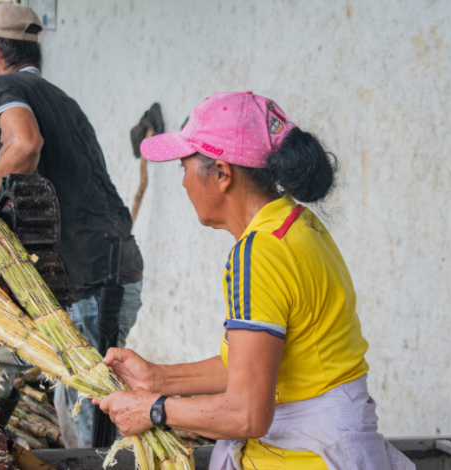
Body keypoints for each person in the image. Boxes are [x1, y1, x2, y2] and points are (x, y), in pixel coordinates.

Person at [96, 92, 415, 470]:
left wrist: (153, 410)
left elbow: (247, 414)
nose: (182, 183)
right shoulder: (299, 226)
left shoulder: (257, 255)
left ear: (221, 174)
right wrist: (158, 378)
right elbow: (254, 365)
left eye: (184, 167)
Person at [0, 2, 144, 448]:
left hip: (95, 283)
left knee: (88, 426)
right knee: (79, 407)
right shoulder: (61, 99)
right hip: (114, 270)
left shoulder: (4, 84)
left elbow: (24, 144)